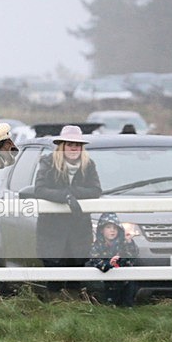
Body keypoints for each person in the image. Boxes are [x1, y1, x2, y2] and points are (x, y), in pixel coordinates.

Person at [34, 125, 102, 297]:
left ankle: (75, 308)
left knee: (76, 273)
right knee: (54, 274)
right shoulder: (48, 162)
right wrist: (64, 196)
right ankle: (54, 306)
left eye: (77, 145)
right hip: (52, 229)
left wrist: (73, 194)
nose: (74, 148)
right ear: (62, 145)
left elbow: (96, 190)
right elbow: (39, 189)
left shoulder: (89, 164)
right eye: (70, 144)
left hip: (79, 229)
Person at [85, 212, 139, 307]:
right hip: (104, 281)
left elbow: (132, 255)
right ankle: (102, 303)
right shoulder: (96, 246)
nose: (112, 231)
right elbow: (95, 260)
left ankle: (127, 304)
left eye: (115, 228)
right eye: (108, 227)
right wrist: (109, 263)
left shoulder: (123, 244)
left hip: (122, 282)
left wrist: (129, 241)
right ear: (101, 230)